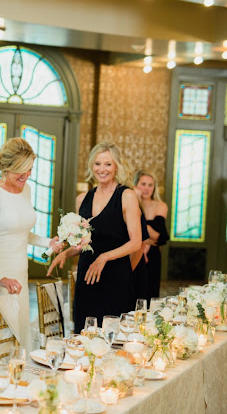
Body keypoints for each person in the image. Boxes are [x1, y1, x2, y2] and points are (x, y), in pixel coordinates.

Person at [0, 138, 62, 359]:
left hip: (21, 274)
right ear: (6, 168)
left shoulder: (27, 190)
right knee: (0, 335)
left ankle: (15, 381)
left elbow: (22, 232)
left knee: (19, 330)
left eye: (29, 170)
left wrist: (47, 242)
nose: (25, 177)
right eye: (19, 173)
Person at [48, 141, 142, 332]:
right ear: (92, 165)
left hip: (116, 278)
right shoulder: (82, 199)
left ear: (116, 166)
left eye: (108, 164)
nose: (102, 169)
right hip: (87, 278)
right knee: (84, 333)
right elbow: (84, 242)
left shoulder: (126, 196)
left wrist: (104, 257)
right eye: (98, 163)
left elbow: (136, 242)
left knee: (113, 336)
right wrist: (66, 253)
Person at [134, 170, 169, 300]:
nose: (146, 188)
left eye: (150, 185)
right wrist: (135, 202)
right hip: (133, 252)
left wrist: (138, 217)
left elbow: (155, 236)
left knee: (150, 293)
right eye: (143, 184)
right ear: (135, 185)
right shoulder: (130, 204)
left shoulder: (160, 206)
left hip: (152, 256)